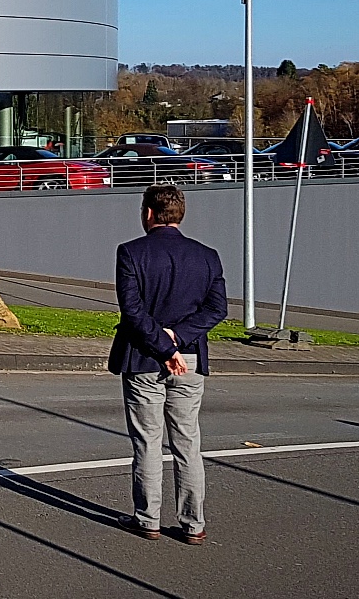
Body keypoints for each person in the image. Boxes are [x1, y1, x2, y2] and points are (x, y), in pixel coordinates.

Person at [109, 184, 228, 545]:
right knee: (187, 442)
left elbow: (132, 311)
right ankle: (194, 524)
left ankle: (148, 519)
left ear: (148, 213)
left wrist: (164, 344)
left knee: (148, 442)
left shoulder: (131, 253)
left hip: (144, 357)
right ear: (180, 213)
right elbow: (217, 309)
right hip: (188, 358)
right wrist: (177, 339)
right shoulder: (207, 256)